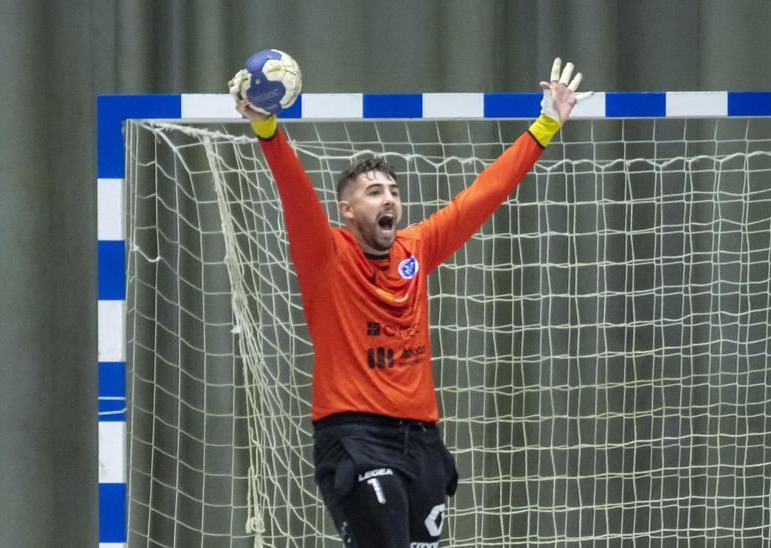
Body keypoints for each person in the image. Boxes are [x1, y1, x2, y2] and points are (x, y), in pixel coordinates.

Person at [228, 58, 591, 548]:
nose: (390, 201)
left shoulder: (416, 250)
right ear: (347, 209)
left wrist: (546, 122)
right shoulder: (326, 254)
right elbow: (293, 189)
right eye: (374, 192)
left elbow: (484, 194)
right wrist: (267, 128)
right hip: (355, 436)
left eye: (394, 192)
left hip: (421, 440)